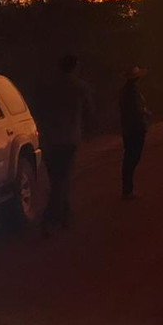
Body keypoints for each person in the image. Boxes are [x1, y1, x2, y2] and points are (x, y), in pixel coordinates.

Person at [39, 54, 94, 236]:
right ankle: (50, 219)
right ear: (75, 67)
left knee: (57, 179)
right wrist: (88, 132)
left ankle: (64, 216)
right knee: (62, 180)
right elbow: (88, 112)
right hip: (69, 139)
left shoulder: (47, 87)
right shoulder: (80, 88)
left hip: (49, 139)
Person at [119, 66, 151, 200]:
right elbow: (137, 111)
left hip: (127, 128)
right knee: (133, 157)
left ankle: (127, 189)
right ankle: (128, 190)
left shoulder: (124, 91)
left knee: (128, 157)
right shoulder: (133, 92)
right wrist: (145, 113)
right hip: (136, 128)